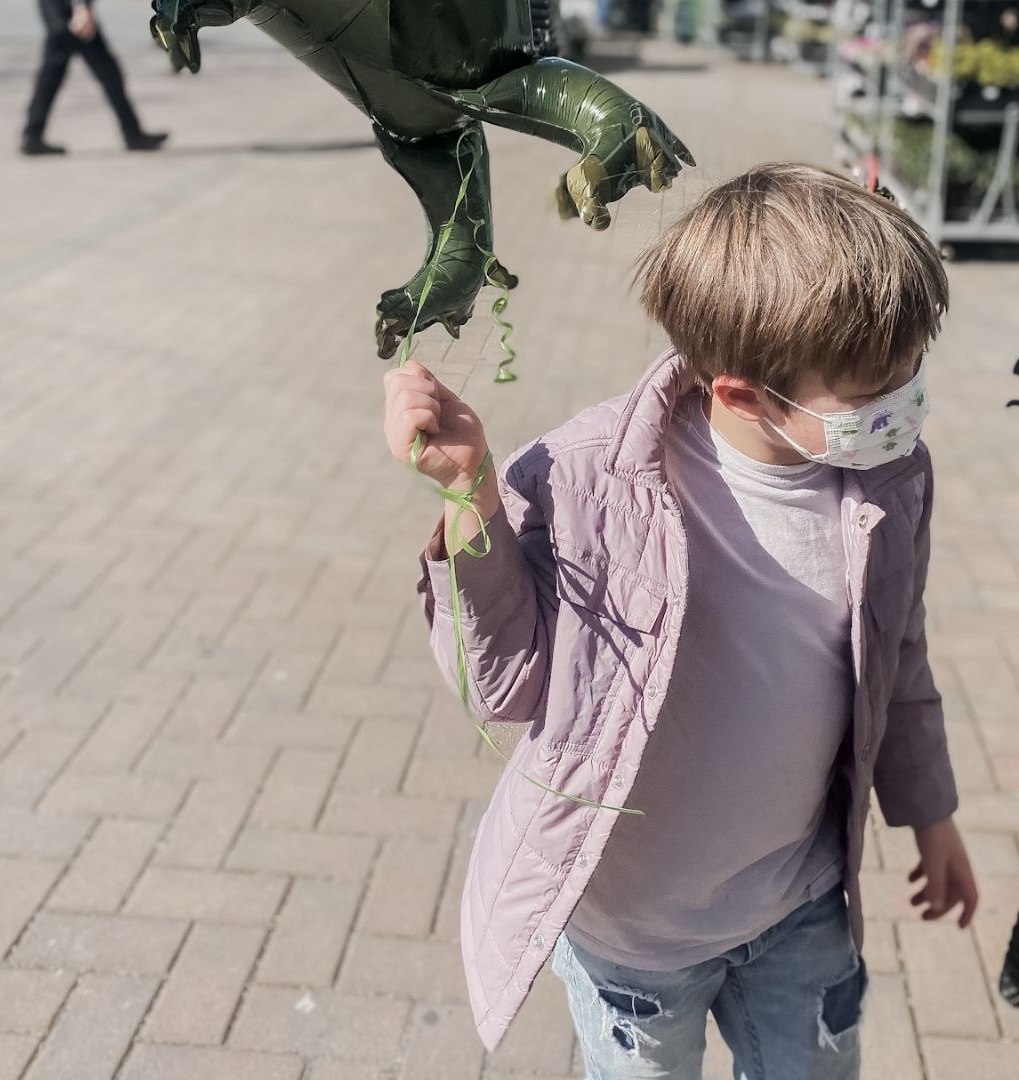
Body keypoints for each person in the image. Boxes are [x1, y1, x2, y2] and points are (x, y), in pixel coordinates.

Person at [383, 163, 979, 1079]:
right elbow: (504, 681)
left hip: (800, 903)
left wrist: (932, 815)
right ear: (740, 393)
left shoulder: (889, 477)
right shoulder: (586, 481)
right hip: (636, 936)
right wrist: (472, 498)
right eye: (869, 396)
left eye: (910, 376)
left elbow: (898, 654)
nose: (902, 407)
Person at [22, 0, 167, 156]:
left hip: (62, 11)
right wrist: (80, 8)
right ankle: (132, 134)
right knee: (106, 73)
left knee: (53, 75)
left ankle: (32, 135)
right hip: (69, 13)